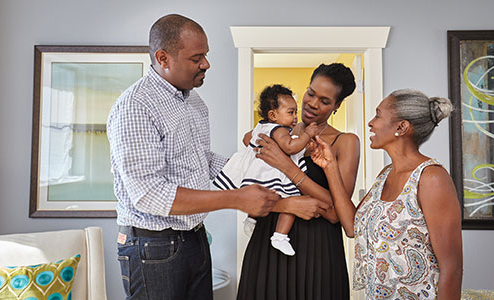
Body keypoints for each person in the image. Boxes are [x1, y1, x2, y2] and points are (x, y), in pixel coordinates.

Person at [107, 14, 289, 300]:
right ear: (163, 58)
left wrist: (256, 167)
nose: (206, 64)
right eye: (197, 57)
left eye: (206, 55)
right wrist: (237, 198)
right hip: (152, 247)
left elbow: (201, 160)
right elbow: (149, 194)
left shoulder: (194, 102)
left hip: (195, 237)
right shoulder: (135, 106)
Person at [310, 89, 463, 299]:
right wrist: (330, 167)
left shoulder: (431, 179)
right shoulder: (385, 175)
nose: (370, 123)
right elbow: (352, 227)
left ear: (402, 127)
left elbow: (452, 268)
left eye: (378, 115)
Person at [237, 63, 360, 300]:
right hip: (268, 243)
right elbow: (248, 186)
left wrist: (286, 166)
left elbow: (336, 212)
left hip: (318, 252)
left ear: (337, 105)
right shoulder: (275, 133)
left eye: (325, 101)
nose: (313, 103)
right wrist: (285, 204)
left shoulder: (345, 142)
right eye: (311, 93)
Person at [213, 84, 319, 256]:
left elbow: (246, 138)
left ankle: (251, 218)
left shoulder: (261, 127)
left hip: (259, 173)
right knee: (292, 200)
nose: (295, 117)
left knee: (262, 196)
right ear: (273, 115)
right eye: (291, 112)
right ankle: (280, 235)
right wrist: (307, 135)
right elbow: (290, 147)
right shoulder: (279, 130)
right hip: (273, 174)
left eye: (295, 112)